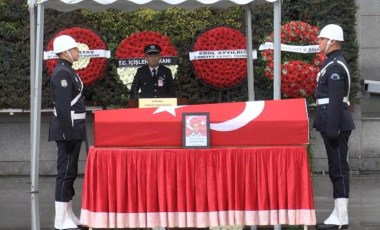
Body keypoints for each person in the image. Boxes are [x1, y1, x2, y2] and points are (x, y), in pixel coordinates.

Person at [313, 24, 355, 230]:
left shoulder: (336, 66)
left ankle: (342, 217)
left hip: (335, 124)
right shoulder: (331, 63)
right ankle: (338, 213)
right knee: (335, 169)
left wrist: (332, 129)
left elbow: (336, 100)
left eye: (322, 39)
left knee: (339, 170)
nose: (319, 42)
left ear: (332, 41)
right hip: (331, 123)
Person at [49, 34, 86, 230]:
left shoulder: (68, 70)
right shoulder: (62, 73)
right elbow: (63, 107)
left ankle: (69, 214)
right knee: (65, 173)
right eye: (75, 49)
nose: (78, 51)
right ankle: (60, 219)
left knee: (71, 172)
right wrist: (67, 133)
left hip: (73, 128)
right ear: (65, 52)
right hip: (68, 129)